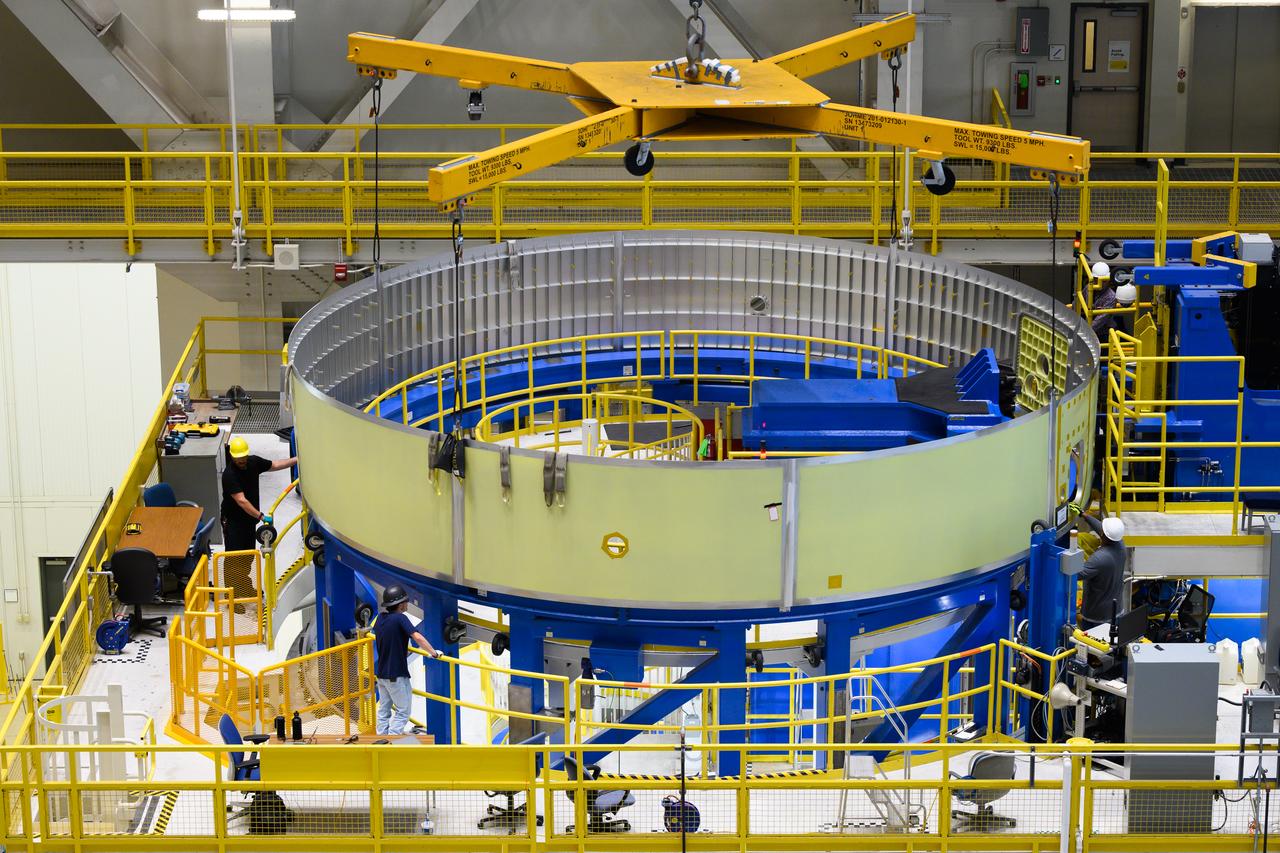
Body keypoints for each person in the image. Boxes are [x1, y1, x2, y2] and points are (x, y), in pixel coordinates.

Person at [220, 437, 296, 601]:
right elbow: (241, 501)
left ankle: (245, 588)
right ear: (232, 457)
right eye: (238, 459)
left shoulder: (253, 462)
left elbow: (274, 465)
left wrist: (296, 460)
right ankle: (232, 597)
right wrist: (261, 516)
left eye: (243, 458)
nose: (241, 461)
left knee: (247, 555)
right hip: (233, 521)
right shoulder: (229, 475)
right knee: (235, 558)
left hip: (248, 520)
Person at [374, 584, 443, 736]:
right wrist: (434, 653)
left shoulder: (380, 618)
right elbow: (417, 637)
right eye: (405, 601)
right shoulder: (400, 618)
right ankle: (392, 742)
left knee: (384, 710)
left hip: (382, 674)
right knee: (403, 711)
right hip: (396, 675)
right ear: (400, 604)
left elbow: (389, 636)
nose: (407, 604)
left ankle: (381, 738)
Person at [1072, 508, 1126, 630]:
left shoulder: (1100, 558)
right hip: (1115, 611)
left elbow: (1076, 573)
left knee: (1093, 647)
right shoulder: (1120, 545)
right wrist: (1084, 515)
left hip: (1097, 619)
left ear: (1103, 535)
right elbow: (1101, 529)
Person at [1089, 262, 1137, 341]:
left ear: (1108, 281)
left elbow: (1100, 320)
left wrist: (1083, 331)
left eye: (1104, 281)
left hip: (1104, 333)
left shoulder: (1111, 296)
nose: (1100, 283)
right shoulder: (1088, 289)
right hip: (1090, 329)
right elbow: (1078, 303)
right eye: (1096, 280)